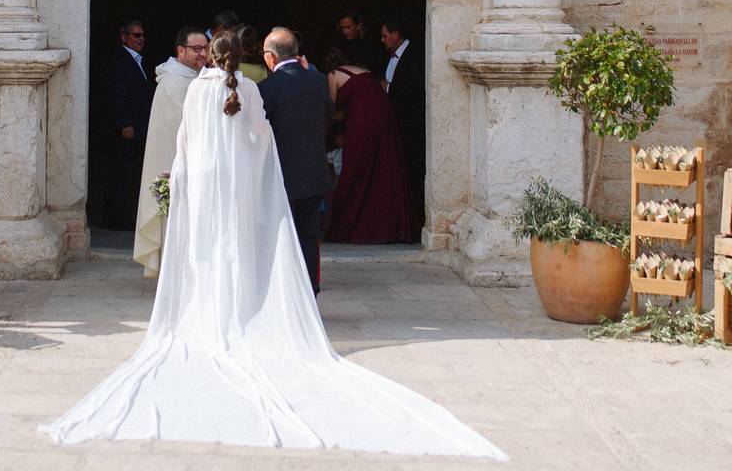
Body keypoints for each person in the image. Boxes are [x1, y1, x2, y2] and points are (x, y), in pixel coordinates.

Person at [39, 31, 506, 461]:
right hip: (240, 189)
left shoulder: (198, 90)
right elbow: (261, 141)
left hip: (206, 188)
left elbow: (184, 145)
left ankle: (209, 309)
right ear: (243, 56)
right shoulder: (251, 89)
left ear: (211, 55)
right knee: (241, 250)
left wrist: (183, 184)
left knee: (207, 251)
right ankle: (244, 309)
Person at [258, 27, 332, 295]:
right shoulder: (318, 80)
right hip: (313, 174)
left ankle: (283, 293)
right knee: (308, 236)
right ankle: (310, 288)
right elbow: (328, 119)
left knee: (278, 238)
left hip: (281, 176)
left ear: (271, 57)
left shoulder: (266, 88)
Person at [132, 27, 209, 277]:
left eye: (206, 48)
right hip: (175, 164)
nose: (203, 54)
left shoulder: (193, 77)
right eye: (197, 49)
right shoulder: (176, 81)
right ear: (180, 50)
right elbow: (186, 128)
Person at [324, 49, 414, 243]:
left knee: (356, 167)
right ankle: (390, 226)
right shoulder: (361, 70)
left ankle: (357, 224)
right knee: (384, 166)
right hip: (384, 115)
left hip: (363, 120)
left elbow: (331, 111)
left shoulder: (333, 75)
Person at [106, 19, 155, 230]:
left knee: (129, 172)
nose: (141, 39)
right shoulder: (120, 59)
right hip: (127, 129)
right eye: (136, 35)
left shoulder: (137, 59)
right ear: (124, 37)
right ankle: (117, 217)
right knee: (122, 172)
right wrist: (125, 122)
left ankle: (122, 214)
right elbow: (118, 94)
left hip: (138, 126)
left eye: (142, 35)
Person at [381, 17, 424, 242]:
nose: (382, 40)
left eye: (385, 35)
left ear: (396, 34)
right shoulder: (391, 56)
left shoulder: (414, 54)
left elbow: (417, 86)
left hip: (410, 127)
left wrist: (390, 88)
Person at [332, 10, 384, 77]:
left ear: (358, 26)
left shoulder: (371, 44)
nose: (345, 31)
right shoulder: (340, 46)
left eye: (348, 27)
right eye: (342, 28)